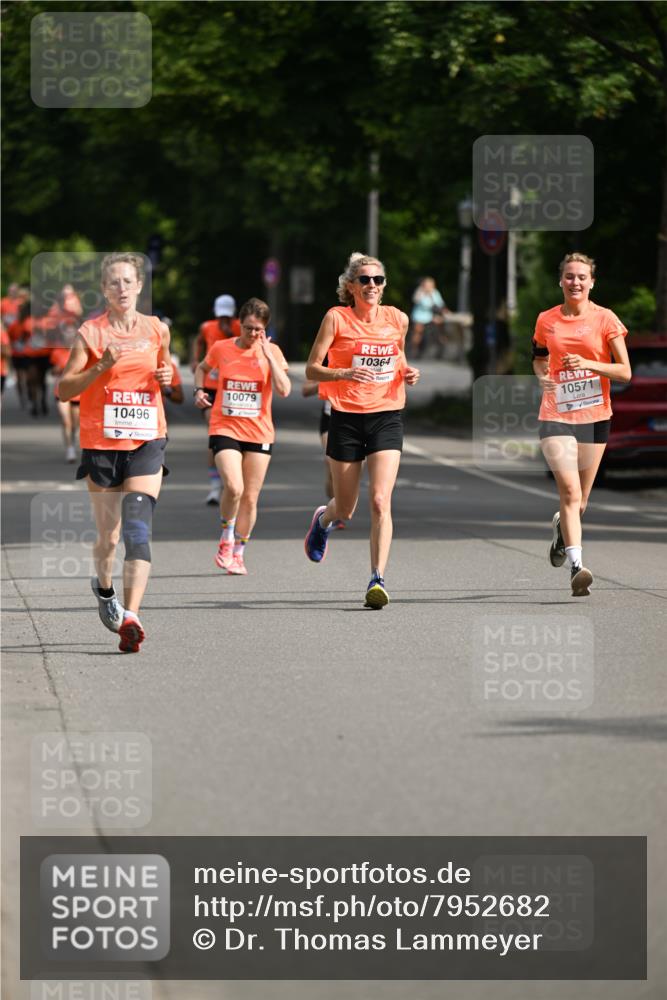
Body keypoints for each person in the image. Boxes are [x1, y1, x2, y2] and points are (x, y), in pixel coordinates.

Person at [59, 252, 172, 652]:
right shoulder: (91, 333)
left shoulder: (157, 329)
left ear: (139, 286)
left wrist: (168, 376)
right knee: (108, 537)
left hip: (145, 439)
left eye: (128, 281)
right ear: (104, 290)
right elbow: (65, 390)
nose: (121, 289)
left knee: (137, 527)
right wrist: (99, 367)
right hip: (102, 444)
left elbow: (167, 375)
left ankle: (132, 616)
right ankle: (106, 591)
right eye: (113, 283)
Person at [303, 251, 420, 609]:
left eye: (378, 280)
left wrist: (407, 371)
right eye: (365, 280)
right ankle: (323, 520)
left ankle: (377, 578)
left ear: (384, 287)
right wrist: (342, 373)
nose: (372, 286)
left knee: (381, 500)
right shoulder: (336, 319)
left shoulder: (397, 318)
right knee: (347, 508)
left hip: (386, 414)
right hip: (347, 416)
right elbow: (311, 369)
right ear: (351, 286)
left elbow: (396, 357)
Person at [532, 252, 631, 597]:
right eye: (569, 276)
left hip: (595, 417)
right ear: (561, 281)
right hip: (556, 415)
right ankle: (577, 567)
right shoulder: (547, 319)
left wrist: (589, 363)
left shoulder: (605, 319)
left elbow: (625, 371)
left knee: (580, 501)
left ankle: (562, 531)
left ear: (592, 282)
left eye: (582, 277)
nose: (575, 282)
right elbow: (539, 358)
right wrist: (542, 377)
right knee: (570, 493)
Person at [194, 297, 290, 575]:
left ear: (265, 329)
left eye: (258, 330)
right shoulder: (222, 348)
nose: (252, 335)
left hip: (259, 431)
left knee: (250, 497)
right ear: (239, 324)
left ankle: (239, 553)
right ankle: (226, 538)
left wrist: (269, 356)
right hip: (225, 426)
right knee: (234, 487)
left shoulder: (272, 351)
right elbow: (202, 368)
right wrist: (199, 391)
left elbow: (283, 390)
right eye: (248, 328)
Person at [191, 294, 241, 504]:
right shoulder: (207, 327)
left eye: (227, 316)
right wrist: (196, 360)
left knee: (237, 437)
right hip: (211, 388)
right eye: (221, 315)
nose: (224, 319)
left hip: (234, 388)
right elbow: (199, 341)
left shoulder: (241, 327)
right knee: (215, 432)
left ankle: (234, 482)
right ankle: (214, 487)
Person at [408, 276, 446, 358]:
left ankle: (438, 350)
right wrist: (424, 293)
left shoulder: (435, 292)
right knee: (417, 333)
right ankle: (413, 351)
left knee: (438, 330)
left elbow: (439, 305)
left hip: (430, 317)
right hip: (419, 317)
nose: (428, 286)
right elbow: (416, 300)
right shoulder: (420, 291)